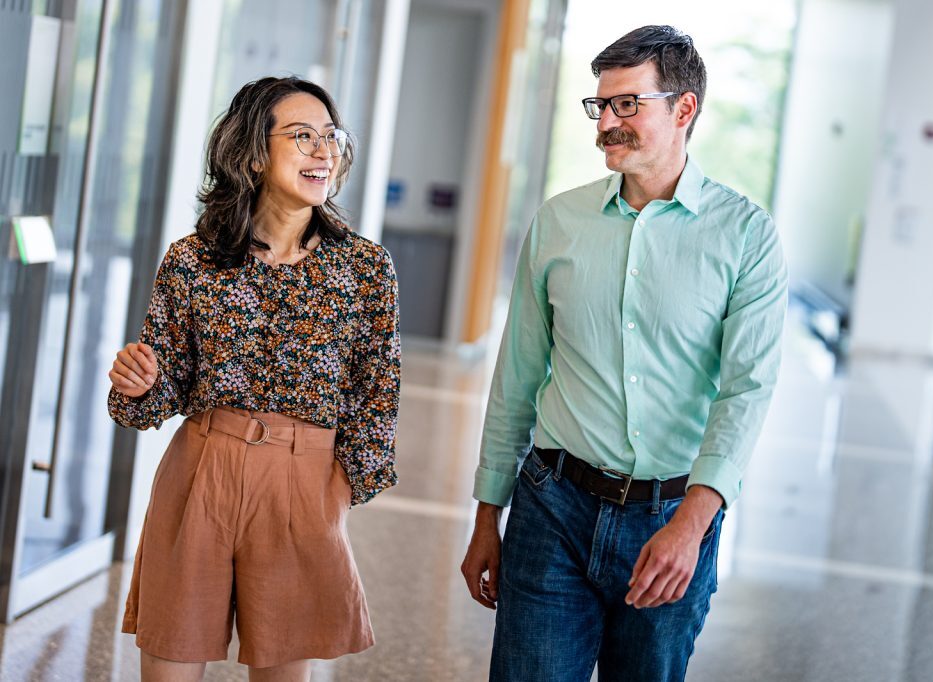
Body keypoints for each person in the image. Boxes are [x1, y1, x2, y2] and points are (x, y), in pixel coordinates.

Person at [460, 25, 787, 681]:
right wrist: (487, 515)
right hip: (552, 507)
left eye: (626, 105)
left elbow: (746, 392)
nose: (606, 122)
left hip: (672, 517)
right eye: (599, 105)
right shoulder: (558, 222)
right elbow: (517, 377)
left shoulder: (746, 236)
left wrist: (691, 526)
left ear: (684, 109)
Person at [107, 76, 400, 682]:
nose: (322, 151)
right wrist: (138, 385)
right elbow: (161, 388)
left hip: (305, 480)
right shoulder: (193, 258)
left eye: (331, 138)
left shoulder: (365, 267)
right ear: (254, 152)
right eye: (302, 137)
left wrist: (339, 489)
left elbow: (378, 392)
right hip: (201, 471)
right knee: (170, 662)